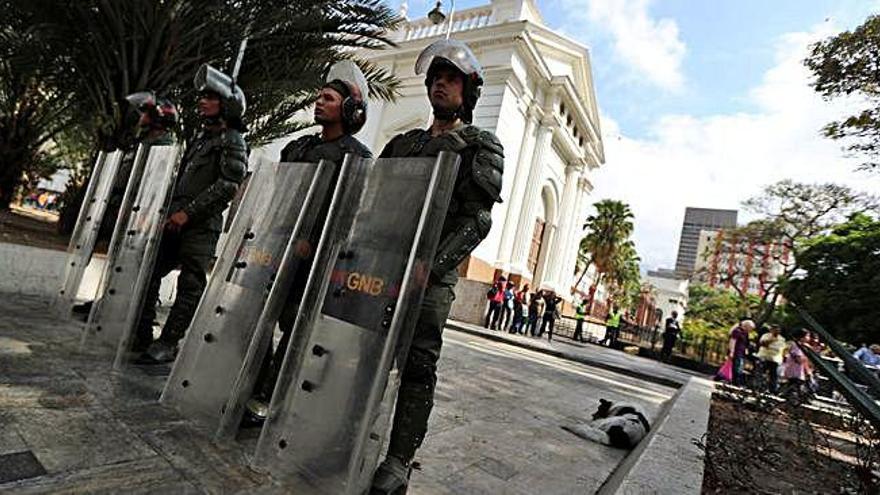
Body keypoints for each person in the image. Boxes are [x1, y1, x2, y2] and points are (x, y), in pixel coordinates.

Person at [370, 39, 503, 494]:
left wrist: (432, 266)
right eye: (435, 78)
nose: (440, 85)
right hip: (384, 267)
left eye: (450, 79)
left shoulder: (480, 146)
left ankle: (399, 460)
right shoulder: (403, 144)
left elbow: (478, 219)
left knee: (418, 364)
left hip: (432, 276)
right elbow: (375, 202)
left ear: (469, 90)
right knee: (362, 350)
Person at [245, 61, 373, 421]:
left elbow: (352, 216)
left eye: (329, 99)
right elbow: (280, 197)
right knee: (259, 316)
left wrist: (315, 243)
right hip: (278, 252)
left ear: (349, 109)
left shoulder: (358, 157)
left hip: (316, 261)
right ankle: (253, 382)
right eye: (318, 97)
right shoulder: (297, 148)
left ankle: (272, 396)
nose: (319, 103)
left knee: (295, 326)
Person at [136, 65, 247, 363]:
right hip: (175, 220)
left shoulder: (232, 140)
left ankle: (169, 343)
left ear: (226, 104)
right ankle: (142, 333)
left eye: (210, 97)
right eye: (203, 97)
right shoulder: (201, 140)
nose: (202, 101)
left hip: (201, 226)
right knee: (148, 272)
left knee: (190, 284)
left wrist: (188, 213)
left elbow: (228, 185)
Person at [780, 328, 812, 402]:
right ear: (801, 337)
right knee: (796, 383)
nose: (809, 338)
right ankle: (788, 396)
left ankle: (790, 397)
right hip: (794, 369)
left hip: (799, 370)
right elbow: (798, 359)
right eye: (807, 336)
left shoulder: (802, 346)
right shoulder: (795, 346)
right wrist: (806, 358)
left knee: (795, 384)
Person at [756, 324, 786, 393]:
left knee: (773, 375)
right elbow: (763, 343)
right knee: (760, 372)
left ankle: (772, 390)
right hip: (764, 357)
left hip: (775, 359)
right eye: (774, 329)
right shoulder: (766, 336)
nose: (776, 331)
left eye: (777, 329)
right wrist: (771, 340)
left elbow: (781, 349)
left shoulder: (782, 339)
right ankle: (758, 387)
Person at [728, 319, 754, 386]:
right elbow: (733, 341)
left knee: (739, 367)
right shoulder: (737, 331)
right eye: (750, 328)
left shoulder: (745, 333)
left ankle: (736, 381)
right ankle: (735, 381)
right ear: (746, 326)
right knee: (737, 367)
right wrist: (732, 351)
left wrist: (746, 349)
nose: (751, 330)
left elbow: (745, 343)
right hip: (737, 351)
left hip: (742, 352)